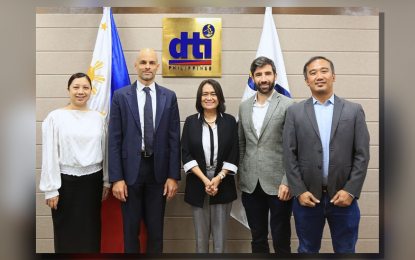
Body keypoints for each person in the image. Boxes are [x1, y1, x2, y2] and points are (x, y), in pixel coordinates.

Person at [283, 56, 370, 253]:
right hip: (307, 199)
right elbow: (289, 155)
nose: (319, 76)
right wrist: (299, 191)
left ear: (333, 76)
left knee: (346, 250)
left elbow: (362, 155)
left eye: (324, 71)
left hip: (343, 199)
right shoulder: (294, 112)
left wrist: (350, 191)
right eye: (313, 73)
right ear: (306, 80)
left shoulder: (354, 110)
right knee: (307, 250)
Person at [108, 48, 181, 253]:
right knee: (130, 230)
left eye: (151, 63)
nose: (147, 66)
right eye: (143, 62)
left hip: (159, 172)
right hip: (130, 172)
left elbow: (174, 139)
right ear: (136, 66)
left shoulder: (169, 97)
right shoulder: (120, 96)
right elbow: (114, 139)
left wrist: (173, 176)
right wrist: (117, 178)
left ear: (158, 66)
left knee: (156, 230)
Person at [39, 73, 111, 253]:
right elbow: (49, 153)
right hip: (65, 185)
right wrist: (51, 188)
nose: (81, 92)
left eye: (85, 88)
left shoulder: (98, 118)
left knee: (91, 232)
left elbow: (105, 151)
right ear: (68, 90)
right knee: (66, 233)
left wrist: (106, 180)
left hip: (92, 184)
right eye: (76, 87)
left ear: (91, 91)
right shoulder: (55, 117)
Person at [238, 56, 296, 253]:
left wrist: (288, 180)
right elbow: (242, 143)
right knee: (257, 238)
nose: (263, 78)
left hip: (279, 185)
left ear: (275, 76)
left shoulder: (289, 105)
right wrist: (241, 175)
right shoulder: (244, 107)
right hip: (251, 184)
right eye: (259, 74)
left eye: (267, 74)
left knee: (281, 239)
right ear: (252, 78)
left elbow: (294, 147)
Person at [181, 79, 239, 253]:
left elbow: (234, 152)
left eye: (213, 94)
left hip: (223, 181)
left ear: (219, 97)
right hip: (198, 181)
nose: (209, 98)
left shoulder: (229, 121)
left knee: (220, 239)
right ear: (199, 98)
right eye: (205, 94)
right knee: (201, 238)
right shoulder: (191, 122)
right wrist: (206, 180)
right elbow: (186, 153)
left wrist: (218, 178)